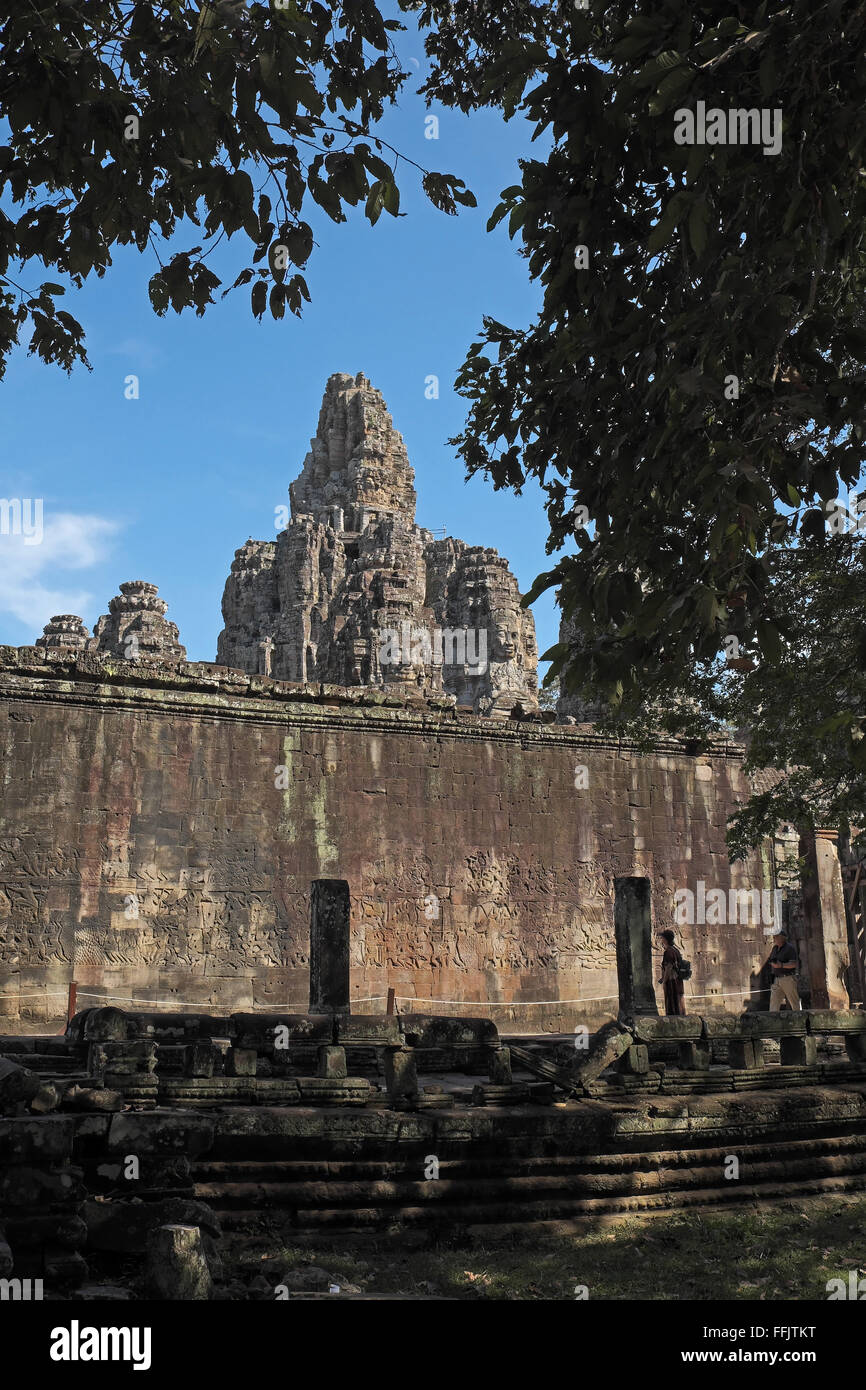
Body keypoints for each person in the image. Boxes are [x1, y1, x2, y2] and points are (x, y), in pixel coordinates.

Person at [761, 928, 800, 1011]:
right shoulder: (775, 948)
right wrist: (772, 964)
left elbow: (793, 964)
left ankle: (801, 1021)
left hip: (788, 979)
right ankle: (772, 1021)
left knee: (794, 1002)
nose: (774, 938)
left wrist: (781, 965)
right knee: (774, 1003)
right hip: (776, 979)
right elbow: (771, 960)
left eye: (776, 936)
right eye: (774, 936)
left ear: (782, 937)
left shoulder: (790, 948)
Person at [659, 929, 686, 1016]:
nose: (661, 940)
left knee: (672, 999)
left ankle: (673, 1017)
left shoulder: (669, 951)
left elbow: (668, 967)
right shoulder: (676, 950)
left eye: (662, 938)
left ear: (665, 939)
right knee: (678, 998)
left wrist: (664, 980)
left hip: (672, 980)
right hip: (677, 979)